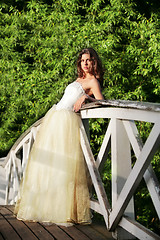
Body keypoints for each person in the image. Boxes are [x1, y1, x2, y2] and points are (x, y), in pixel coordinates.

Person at [14, 48, 104, 226]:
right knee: (49, 163)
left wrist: (86, 97)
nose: (85, 63)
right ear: (79, 63)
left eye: (89, 60)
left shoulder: (93, 81)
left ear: (94, 62)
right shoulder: (79, 79)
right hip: (55, 117)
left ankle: (64, 209)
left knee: (65, 165)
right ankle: (44, 205)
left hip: (66, 122)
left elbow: (101, 101)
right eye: (82, 60)